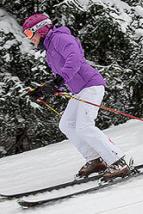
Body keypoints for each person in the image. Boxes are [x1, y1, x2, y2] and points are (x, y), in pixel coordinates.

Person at [22, 13, 130, 180]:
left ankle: (118, 160)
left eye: (29, 33)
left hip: (91, 85)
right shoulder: (49, 49)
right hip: (79, 90)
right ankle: (95, 160)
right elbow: (62, 75)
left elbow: (75, 58)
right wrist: (45, 90)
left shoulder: (60, 38)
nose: (29, 38)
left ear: (40, 30)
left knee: (84, 126)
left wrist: (59, 80)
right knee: (66, 124)